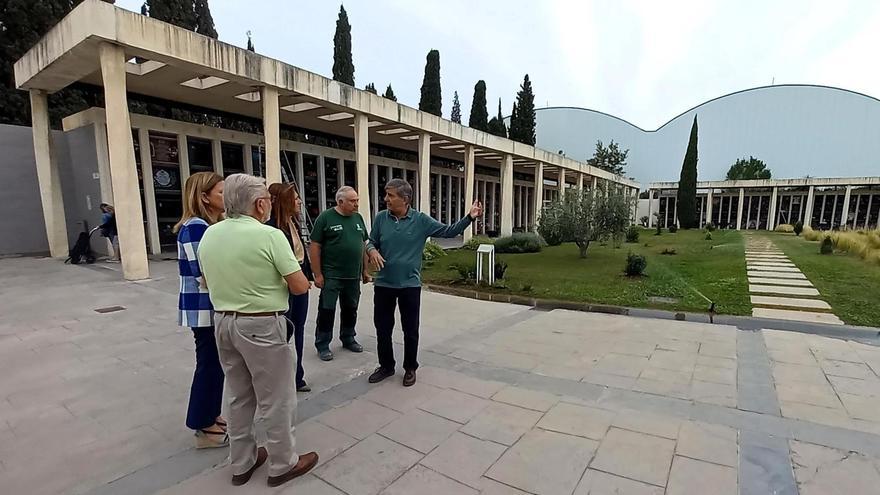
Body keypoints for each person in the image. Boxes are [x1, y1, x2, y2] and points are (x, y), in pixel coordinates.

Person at [198, 174, 318, 487]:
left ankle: (242, 462)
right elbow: (299, 286)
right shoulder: (269, 235)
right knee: (276, 399)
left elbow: (207, 281)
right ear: (260, 203)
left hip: (223, 321)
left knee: (238, 396)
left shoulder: (210, 235)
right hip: (262, 324)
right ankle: (282, 464)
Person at [366, 179, 482, 387]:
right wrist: (372, 250)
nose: (386, 199)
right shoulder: (381, 218)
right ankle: (386, 366)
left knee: (411, 329)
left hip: (409, 285)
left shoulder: (420, 220)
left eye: (390, 195)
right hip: (384, 284)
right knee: (382, 328)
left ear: (405, 199)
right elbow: (371, 241)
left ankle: (410, 367)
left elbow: (449, 231)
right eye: (386, 194)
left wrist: (469, 217)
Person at [174, 172, 228, 449]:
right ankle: (202, 424)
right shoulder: (195, 227)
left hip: (211, 307)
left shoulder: (210, 226)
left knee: (214, 364)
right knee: (209, 364)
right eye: (221, 192)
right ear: (204, 197)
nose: (226, 197)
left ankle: (210, 415)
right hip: (205, 308)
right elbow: (202, 271)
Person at [309, 186, 371, 362]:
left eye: (357, 200)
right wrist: (318, 274)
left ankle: (348, 337)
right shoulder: (326, 218)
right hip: (332, 275)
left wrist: (365, 271)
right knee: (327, 309)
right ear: (340, 201)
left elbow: (363, 245)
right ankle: (322, 344)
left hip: (353, 276)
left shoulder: (358, 218)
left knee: (351, 309)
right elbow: (315, 246)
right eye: (353, 201)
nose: (356, 204)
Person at [267, 182, 314, 392]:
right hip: (283, 290)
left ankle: (297, 375)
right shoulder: (271, 229)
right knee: (283, 332)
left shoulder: (293, 223)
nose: (299, 202)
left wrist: (308, 278)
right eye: (295, 198)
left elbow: (301, 255)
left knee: (299, 329)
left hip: (299, 288)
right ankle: (280, 378)